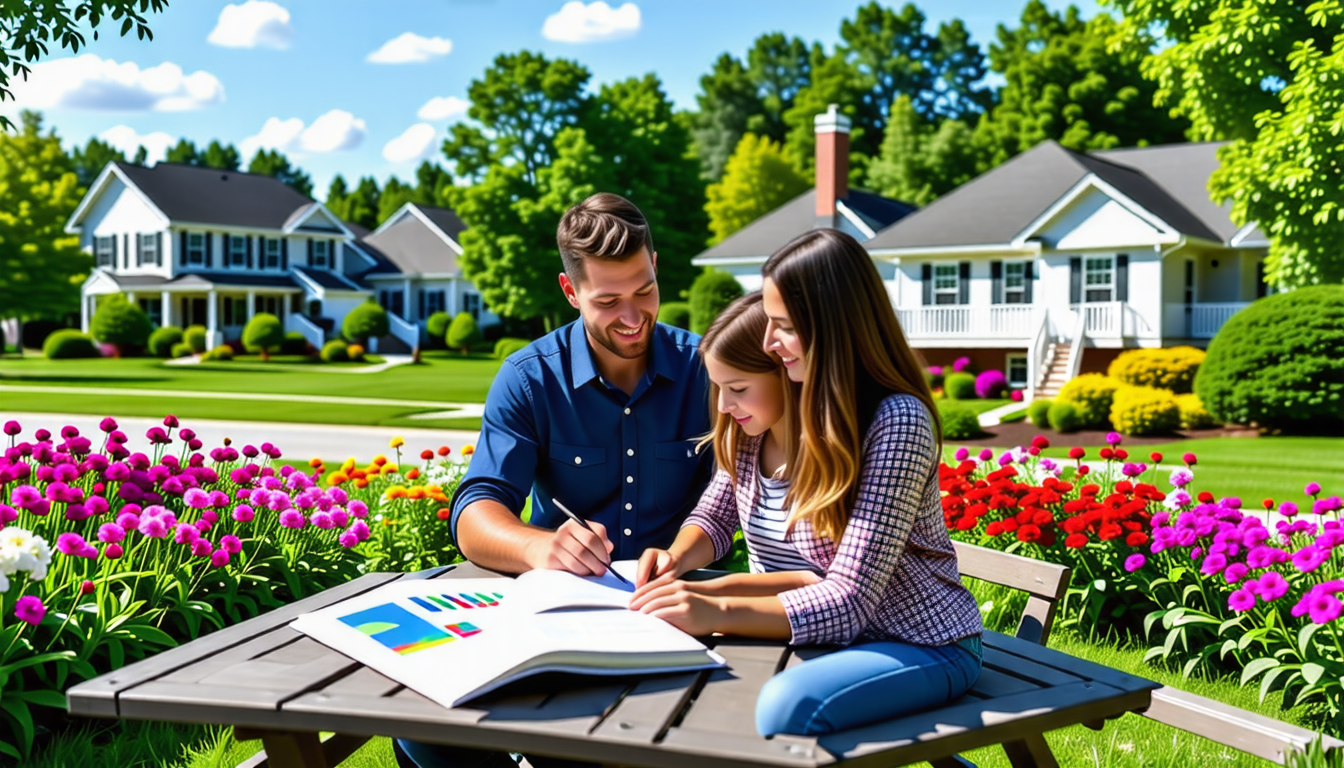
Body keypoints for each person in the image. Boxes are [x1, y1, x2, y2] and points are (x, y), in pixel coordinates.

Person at [395, 193, 712, 768]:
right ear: (571, 292)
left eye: (644, 290)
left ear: (657, 266)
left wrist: (684, 557)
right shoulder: (528, 378)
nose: (634, 316)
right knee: (425, 733)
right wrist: (543, 546)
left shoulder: (708, 372)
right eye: (609, 300)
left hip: (682, 612)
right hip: (563, 610)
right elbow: (476, 510)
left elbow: (742, 500)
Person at [630, 228, 983, 737]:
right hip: (820, 637)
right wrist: (675, 561)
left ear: (833, 327)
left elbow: (849, 600)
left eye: (784, 326)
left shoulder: (895, 422)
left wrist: (716, 606)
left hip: (916, 642)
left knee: (781, 708)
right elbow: (716, 512)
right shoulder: (768, 421)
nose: (771, 344)